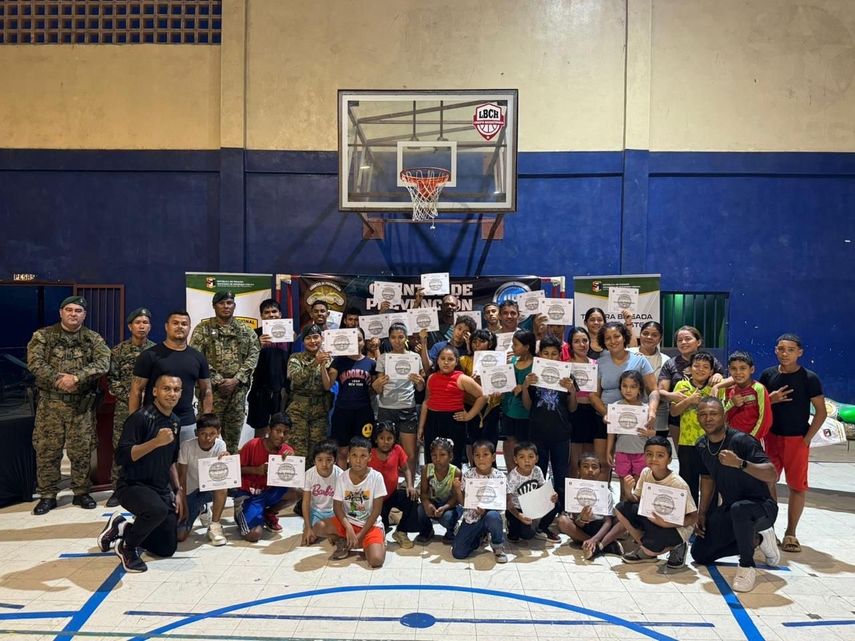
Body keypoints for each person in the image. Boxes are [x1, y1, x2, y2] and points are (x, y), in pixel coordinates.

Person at [28, 295, 111, 515]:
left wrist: (76, 378)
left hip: (81, 406)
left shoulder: (92, 339)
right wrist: (58, 379)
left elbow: (103, 362)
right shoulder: (44, 336)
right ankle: (47, 495)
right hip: (50, 405)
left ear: (84, 315)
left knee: (81, 450)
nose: (74, 314)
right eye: (69, 310)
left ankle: (81, 492)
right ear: (61, 312)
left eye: (78, 311)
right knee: (47, 450)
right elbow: (35, 362)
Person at [691, 397, 780, 592]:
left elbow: (772, 473)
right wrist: (702, 513)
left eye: (713, 414)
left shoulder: (741, 440)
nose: (708, 418)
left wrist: (741, 463)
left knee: (741, 509)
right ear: (697, 418)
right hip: (732, 509)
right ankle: (758, 540)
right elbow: (707, 480)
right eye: (703, 414)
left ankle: (747, 566)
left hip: (762, 507)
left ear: (724, 416)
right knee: (699, 554)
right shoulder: (701, 445)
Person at [98, 374, 184, 573]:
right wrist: (155, 442)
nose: (172, 393)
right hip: (132, 485)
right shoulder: (140, 418)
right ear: (155, 391)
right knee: (157, 511)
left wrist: (178, 490)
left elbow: (171, 460)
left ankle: (122, 527)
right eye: (166, 388)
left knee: (166, 548)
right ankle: (126, 547)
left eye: (176, 390)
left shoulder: (175, 421)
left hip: (159, 487)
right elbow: (121, 457)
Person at [759, 333, 825, 554]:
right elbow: (758, 404)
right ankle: (770, 530)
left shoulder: (809, 378)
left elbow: (821, 412)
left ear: (800, 352)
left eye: (790, 349)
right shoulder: (768, 375)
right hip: (772, 438)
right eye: (780, 349)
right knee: (768, 484)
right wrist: (771, 399)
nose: (784, 353)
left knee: (797, 487)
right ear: (775, 350)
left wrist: (807, 439)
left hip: (797, 439)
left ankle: (791, 533)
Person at [598, 436, 698, 569]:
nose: (654, 459)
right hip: (653, 519)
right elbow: (636, 501)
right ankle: (645, 549)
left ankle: (678, 546)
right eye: (649, 454)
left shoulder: (678, 483)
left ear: (669, 459)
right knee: (621, 508)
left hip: (675, 527)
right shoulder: (646, 473)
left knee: (652, 548)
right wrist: (628, 492)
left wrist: (667, 523)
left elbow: (693, 517)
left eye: (660, 455)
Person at [190, 291, 261, 455]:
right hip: (211, 392)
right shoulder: (203, 329)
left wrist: (236, 380)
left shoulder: (246, 331)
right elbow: (196, 357)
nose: (226, 306)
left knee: (232, 441)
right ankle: (206, 478)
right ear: (214, 306)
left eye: (229, 303)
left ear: (234, 306)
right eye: (221, 303)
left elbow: (253, 355)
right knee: (208, 438)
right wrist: (218, 380)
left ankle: (230, 478)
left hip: (237, 393)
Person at [589, 322, 659, 481]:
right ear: (603, 341)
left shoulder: (640, 360)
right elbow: (593, 395)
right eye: (607, 338)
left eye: (616, 336)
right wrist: (607, 414)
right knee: (603, 464)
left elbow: (653, 390)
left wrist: (652, 411)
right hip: (605, 420)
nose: (613, 341)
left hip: (634, 421)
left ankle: (630, 503)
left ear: (624, 337)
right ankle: (605, 503)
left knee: (634, 469)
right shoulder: (600, 363)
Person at [130, 310, 213, 443]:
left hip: (187, 424)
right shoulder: (149, 355)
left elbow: (206, 390)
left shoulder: (198, 358)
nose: (180, 326)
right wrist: (133, 423)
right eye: (175, 323)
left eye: (184, 324)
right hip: (154, 422)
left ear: (189, 328)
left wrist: (206, 421)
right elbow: (136, 390)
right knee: (156, 463)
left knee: (185, 463)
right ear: (166, 327)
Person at [521, 334, 575, 539]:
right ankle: (539, 521)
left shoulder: (567, 375)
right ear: (539, 355)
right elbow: (528, 406)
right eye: (546, 353)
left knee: (560, 477)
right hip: (537, 435)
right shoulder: (533, 375)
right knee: (539, 477)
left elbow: (572, 407)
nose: (550, 356)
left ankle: (559, 517)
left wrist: (570, 390)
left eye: (554, 353)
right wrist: (526, 387)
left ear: (560, 355)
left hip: (561, 434)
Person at [106, 307, 156, 507]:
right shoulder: (117, 352)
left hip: (151, 408)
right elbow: (112, 381)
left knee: (151, 446)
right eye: (137, 322)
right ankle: (118, 490)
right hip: (124, 409)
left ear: (150, 326)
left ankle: (149, 487)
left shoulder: (156, 350)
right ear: (130, 326)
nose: (141, 326)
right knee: (122, 447)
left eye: (145, 322)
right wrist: (132, 396)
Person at [314, 436, 387, 567]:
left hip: (370, 525)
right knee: (318, 527)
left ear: (370, 457)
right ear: (348, 456)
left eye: (363, 456)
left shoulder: (376, 477)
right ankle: (344, 540)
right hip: (349, 522)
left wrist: (360, 535)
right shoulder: (342, 477)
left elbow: (376, 511)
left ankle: (374, 540)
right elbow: (337, 507)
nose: (358, 460)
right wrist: (348, 528)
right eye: (354, 455)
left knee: (376, 560)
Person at [374, 322, 425, 482]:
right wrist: (378, 384)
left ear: (406, 338)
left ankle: (409, 485)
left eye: (400, 337)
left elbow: (420, 388)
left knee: (409, 453)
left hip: (407, 408)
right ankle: (386, 483)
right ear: (389, 339)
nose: (397, 340)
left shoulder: (414, 357)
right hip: (386, 408)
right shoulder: (383, 358)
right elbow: (376, 388)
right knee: (384, 449)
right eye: (393, 337)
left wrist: (419, 381)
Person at [419, 345, 486, 469]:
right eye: (442, 358)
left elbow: (482, 396)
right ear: (437, 360)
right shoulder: (431, 378)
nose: (446, 362)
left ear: (456, 361)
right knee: (432, 458)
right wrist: (421, 427)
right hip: (432, 421)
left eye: (450, 359)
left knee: (453, 460)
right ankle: (431, 487)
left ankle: (455, 487)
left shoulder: (462, 378)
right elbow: (426, 402)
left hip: (454, 421)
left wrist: (469, 415)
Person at [234, 413, 296, 542]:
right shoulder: (253, 445)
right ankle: (241, 511)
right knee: (254, 535)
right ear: (269, 430)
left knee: (297, 492)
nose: (281, 436)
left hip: (268, 493)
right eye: (278, 431)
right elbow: (233, 471)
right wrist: (256, 470)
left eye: (286, 432)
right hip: (249, 494)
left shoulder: (287, 451)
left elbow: (291, 478)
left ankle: (269, 513)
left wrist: (291, 462)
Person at [658, 325, 725, 442]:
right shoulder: (670, 364)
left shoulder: (710, 360)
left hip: (706, 420)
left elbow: (731, 379)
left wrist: (719, 376)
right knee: (683, 455)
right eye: (679, 340)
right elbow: (661, 391)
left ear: (698, 342)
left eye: (688, 339)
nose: (683, 342)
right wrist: (672, 396)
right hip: (678, 419)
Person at [670, 351, 721, 503]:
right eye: (696, 366)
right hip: (687, 442)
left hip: (710, 442)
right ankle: (689, 519)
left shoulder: (716, 387)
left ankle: (707, 519)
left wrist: (720, 379)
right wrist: (688, 401)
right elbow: (673, 412)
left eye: (706, 367)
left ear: (712, 371)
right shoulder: (681, 385)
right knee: (687, 483)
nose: (700, 369)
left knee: (710, 480)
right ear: (689, 368)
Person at [326, 327, 376, 467]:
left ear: (364, 342)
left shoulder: (371, 363)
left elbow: (375, 389)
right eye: (353, 339)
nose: (356, 343)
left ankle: (361, 483)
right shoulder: (339, 361)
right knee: (342, 451)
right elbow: (328, 385)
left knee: (362, 451)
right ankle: (343, 484)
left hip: (364, 412)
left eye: (359, 339)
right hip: (343, 411)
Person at [176, 413, 228, 546]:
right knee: (180, 535)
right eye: (203, 433)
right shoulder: (187, 446)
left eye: (212, 433)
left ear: (218, 432)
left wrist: (226, 459)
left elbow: (221, 474)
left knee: (222, 484)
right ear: (196, 432)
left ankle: (215, 525)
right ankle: (202, 508)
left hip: (210, 490)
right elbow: (181, 478)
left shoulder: (220, 445)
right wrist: (185, 505)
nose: (208, 438)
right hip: (191, 491)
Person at [452, 439, 508, 563]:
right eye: (477, 455)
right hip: (472, 517)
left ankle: (497, 545)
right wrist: (457, 489)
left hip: (490, 516)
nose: (481, 459)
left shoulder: (500, 477)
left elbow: (501, 503)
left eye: (485, 455)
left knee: (493, 517)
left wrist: (487, 509)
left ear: (493, 457)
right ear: (472, 457)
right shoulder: (468, 475)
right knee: (458, 553)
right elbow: (463, 503)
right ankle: (480, 537)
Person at [557, 453, 620, 559]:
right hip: (581, 529)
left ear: (600, 470)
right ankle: (601, 544)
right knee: (562, 521)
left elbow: (607, 521)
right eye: (585, 466)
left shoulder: (606, 491)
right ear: (578, 470)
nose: (590, 470)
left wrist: (595, 538)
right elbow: (576, 522)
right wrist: (582, 519)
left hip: (600, 528)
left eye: (594, 467)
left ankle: (594, 543)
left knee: (622, 517)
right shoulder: (573, 489)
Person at [606, 370, 655, 501]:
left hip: (641, 453)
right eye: (624, 386)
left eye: (633, 386)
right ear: (620, 387)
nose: (628, 390)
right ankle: (622, 515)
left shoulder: (646, 409)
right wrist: (609, 451)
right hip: (622, 452)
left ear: (640, 388)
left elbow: (653, 432)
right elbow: (611, 432)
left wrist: (650, 433)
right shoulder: (616, 407)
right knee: (624, 491)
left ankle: (637, 518)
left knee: (639, 491)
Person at [369, 422, 418, 549]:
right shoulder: (370, 453)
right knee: (382, 528)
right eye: (382, 438)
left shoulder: (397, 450)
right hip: (376, 500)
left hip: (392, 493)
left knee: (411, 497)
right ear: (376, 439)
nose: (385, 442)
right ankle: (388, 520)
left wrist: (410, 485)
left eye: (389, 438)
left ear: (394, 439)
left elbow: (406, 469)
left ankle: (401, 531)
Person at [286, 324, 332, 457]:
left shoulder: (328, 359)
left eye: (316, 337)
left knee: (317, 451)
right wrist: (314, 363)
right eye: (308, 338)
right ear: (303, 341)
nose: (313, 341)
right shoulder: (295, 358)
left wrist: (323, 364)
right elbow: (295, 377)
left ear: (322, 338)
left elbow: (328, 385)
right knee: (297, 450)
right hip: (298, 411)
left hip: (320, 412)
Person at [247, 298, 290, 438]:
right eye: (267, 312)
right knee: (260, 429)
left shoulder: (290, 335)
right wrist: (256, 344)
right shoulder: (253, 335)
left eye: (274, 311)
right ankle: (259, 458)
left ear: (280, 314)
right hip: (260, 390)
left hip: (283, 391)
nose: (271, 315)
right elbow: (245, 360)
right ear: (261, 316)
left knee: (282, 430)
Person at [459, 328, 501, 465]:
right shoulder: (464, 360)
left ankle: (492, 471)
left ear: (490, 344)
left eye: (481, 341)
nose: (477, 344)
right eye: (474, 341)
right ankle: (473, 471)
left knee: (491, 440)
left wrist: (500, 390)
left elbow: (504, 382)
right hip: (471, 406)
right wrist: (469, 381)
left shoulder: (499, 360)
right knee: (472, 440)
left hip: (492, 406)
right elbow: (458, 383)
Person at [505, 442, 559, 543]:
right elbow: (508, 504)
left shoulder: (537, 470)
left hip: (533, 505)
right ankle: (511, 525)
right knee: (522, 536)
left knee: (555, 503)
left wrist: (552, 495)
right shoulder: (512, 477)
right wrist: (518, 516)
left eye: (531, 456)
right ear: (515, 460)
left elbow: (543, 487)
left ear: (537, 458)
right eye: (522, 457)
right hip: (517, 509)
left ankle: (541, 528)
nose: (527, 460)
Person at [499, 329, 536, 472]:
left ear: (527, 347)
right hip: (508, 409)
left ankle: (525, 474)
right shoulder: (512, 361)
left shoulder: (536, 364)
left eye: (516, 345)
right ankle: (511, 473)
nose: (513, 348)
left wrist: (524, 386)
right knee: (509, 441)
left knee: (524, 445)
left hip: (524, 412)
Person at [628, 321, 672, 436]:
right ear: (640, 335)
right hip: (629, 415)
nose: (649, 337)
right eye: (645, 333)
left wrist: (649, 410)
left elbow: (662, 392)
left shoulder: (666, 360)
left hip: (657, 420)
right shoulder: (628, 354)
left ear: (660, 338)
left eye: (654, 335)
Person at [416, 437, 463, 543]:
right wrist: (427, 503)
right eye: (434, 455)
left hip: (451, 505)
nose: (437, 459)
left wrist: (445, 507)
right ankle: (427, 531)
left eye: (442, 455)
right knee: (420, 509)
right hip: (434, 502)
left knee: (447, 517)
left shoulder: (456, 472)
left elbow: (456, 498)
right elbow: (423, 493)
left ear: (450, 456)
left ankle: (451, 530)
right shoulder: (426, 469)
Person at [567, 327, 599, 476]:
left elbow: (598, 392)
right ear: (571, 344)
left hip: (592, 412)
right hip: (574, 413)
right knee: (574, 463)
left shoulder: (595, 364)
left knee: (589, 461)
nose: (582, 344)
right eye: (577, 341)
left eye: (585, 340)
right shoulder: (566, 366)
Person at [300, 440, 342, 546]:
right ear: (314, 461)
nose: (324, 464)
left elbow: (343, 503)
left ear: (335, 460)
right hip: (315, 512)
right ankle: (329, 534)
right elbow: (305, 502)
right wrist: (308, 528)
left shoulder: (341, 475)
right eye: (320, 460)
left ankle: (331, 533)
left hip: (334, 513)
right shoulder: (309, 475)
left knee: (341, 531)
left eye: (329, 460)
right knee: (309, 538)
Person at [723, 351, 772, 441]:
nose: (738, 372)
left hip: (751, 441)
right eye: (734, 368)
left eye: (743, 368)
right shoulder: (729, 390)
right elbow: (724, 417)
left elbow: (765, 419)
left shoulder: (758, 389)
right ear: (729, 370)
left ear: (751, 369)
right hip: (731, 440)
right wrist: (732, 403)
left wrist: (750, 440)